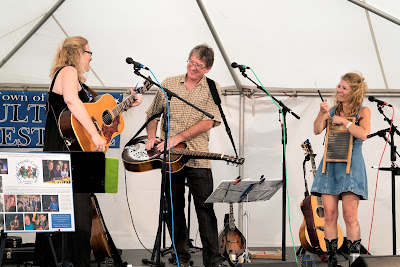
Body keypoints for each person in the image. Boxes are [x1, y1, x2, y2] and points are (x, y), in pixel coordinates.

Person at [34, 36, 142, 267]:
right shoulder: (68, 71)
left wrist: (127, 103)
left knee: (64, 208)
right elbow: (73, 102)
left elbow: (96, 113)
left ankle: (58, 259)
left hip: (69, 148)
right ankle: (76, 261)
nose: (91, 57)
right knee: (79, 208)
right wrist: (94, 135)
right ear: (77, 52)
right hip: (67, 149)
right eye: (89, 52)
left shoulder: (73, 78)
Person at [145, 44, 226, 267]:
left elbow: (210, 121)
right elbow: (152, 115)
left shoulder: (212, 87)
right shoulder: (169, 83)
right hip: (170, 157)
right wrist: (152, 135)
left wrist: (177, 137)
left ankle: (213, 260)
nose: (193, 67)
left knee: (205, 209)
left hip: (198, 156)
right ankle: (181, 257)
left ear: (208, 69)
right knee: (173, 207)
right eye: (191, 61)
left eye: (199, 65)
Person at [311, 72, 370, 267]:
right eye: (339, 86)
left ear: (354, 91)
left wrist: (345, 122)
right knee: (329, 214)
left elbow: (363, 134)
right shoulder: (333, 109)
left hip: (351, 167)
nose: (339, 90)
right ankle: (332, 261)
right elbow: (317, 129)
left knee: (349, 216)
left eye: (344, 87)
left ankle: (354, 261)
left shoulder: (363, 111)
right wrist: (322, 113)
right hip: (330, 165)